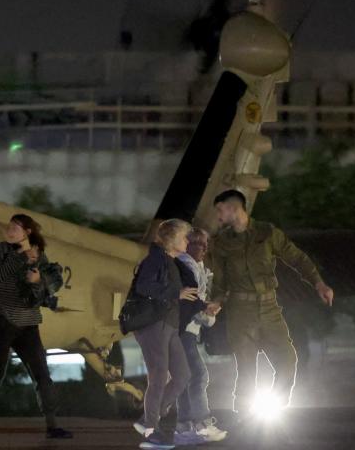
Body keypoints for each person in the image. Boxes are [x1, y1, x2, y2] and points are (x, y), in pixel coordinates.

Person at [207, 189, 334, 417]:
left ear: (234, 208)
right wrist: (216, 302)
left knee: (288, 360)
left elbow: (297, 257)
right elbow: (220, 281)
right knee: (246, 371)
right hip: (240, 312)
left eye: (220, 209)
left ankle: (274, 413)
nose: (217, 216)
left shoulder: (267, 233)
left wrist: (319, 283)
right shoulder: (222, 243)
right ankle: (244, 422)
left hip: (269, 308)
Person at [0, 214, 73, 440]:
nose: (9, 230)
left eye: (15, 227)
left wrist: (38, 281)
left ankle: (52, 425)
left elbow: (45, 288)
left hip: (28, 324)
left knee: (41, 373)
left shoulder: (40, 255)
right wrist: (21, 258)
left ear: (27, 232)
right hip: (0, 321)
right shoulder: (3, 249)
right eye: (9, 226)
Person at [132, 218, 197, 450]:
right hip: (154, 325)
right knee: (158, 377)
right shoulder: (156, 258)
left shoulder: (169, 260)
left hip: (168, 325)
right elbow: (144, 287)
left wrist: (203, 305)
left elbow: (178, 294)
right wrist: (175, 292)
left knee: (182, 375)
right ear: (170, 239)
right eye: (183, 236)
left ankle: (148, 420)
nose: (187, 240)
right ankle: (151, 432)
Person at [174, 228, 227, 443]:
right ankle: (202, 424)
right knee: (198, 375)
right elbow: (190, 303)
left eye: (205, 244)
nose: (202, 248)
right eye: (197, 243)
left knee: (186, 378)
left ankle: (184, 428)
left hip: (185, 329)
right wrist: (208, 313)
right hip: (182, 329)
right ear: (186, 243)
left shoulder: (198, 267)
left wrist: (208, 313)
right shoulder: (186, 266)